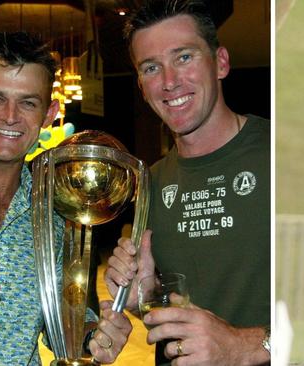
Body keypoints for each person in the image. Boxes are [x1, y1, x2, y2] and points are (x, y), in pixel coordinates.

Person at [103, 1, 270, 365]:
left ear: (221, 62)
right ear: (142, 87)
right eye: (151, 67)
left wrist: (246, 346)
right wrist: (143, 295)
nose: (169, 82)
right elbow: (178, 299)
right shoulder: (151, 181)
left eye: (184, 58)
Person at [0, 31, 132, 364]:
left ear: (49, 114)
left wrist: (97, 335)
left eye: (27, 102)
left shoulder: (55, 214)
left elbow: (65, 320)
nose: (10, 116)